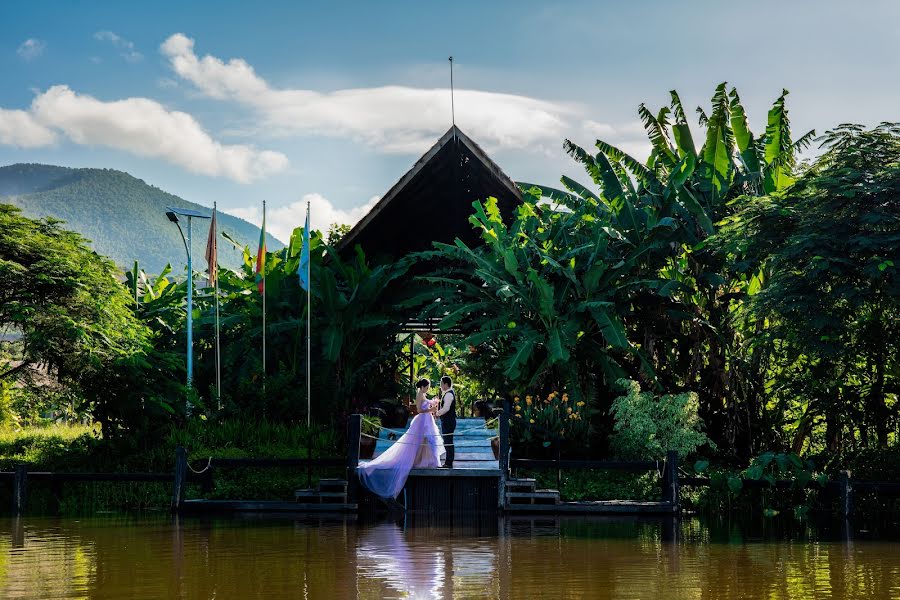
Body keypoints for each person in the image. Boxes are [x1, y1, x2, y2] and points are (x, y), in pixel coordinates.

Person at [357, 378, 445, 500]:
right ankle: (416, 460)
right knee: (416, 441)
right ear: (423, 386)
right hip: (422, 420)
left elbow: (427, 402)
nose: (428, 388)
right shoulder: (419, 395)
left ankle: (423, 460)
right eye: (428, 386)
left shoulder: (423, 394)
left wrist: (433, 403)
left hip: (427, 420)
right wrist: (431, 409)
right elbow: (419, 410)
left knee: (427, 441)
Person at [434, 376, 457, 468]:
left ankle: (449, 462)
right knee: (447, 441)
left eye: (441, 383)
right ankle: (448, 462)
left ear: (446, 384)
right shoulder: (447, 393)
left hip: (448, 421)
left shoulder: (449, 394)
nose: (441, 386)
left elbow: (446, 408)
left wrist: (437, 413)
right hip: (447, 421)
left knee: (448, 441)